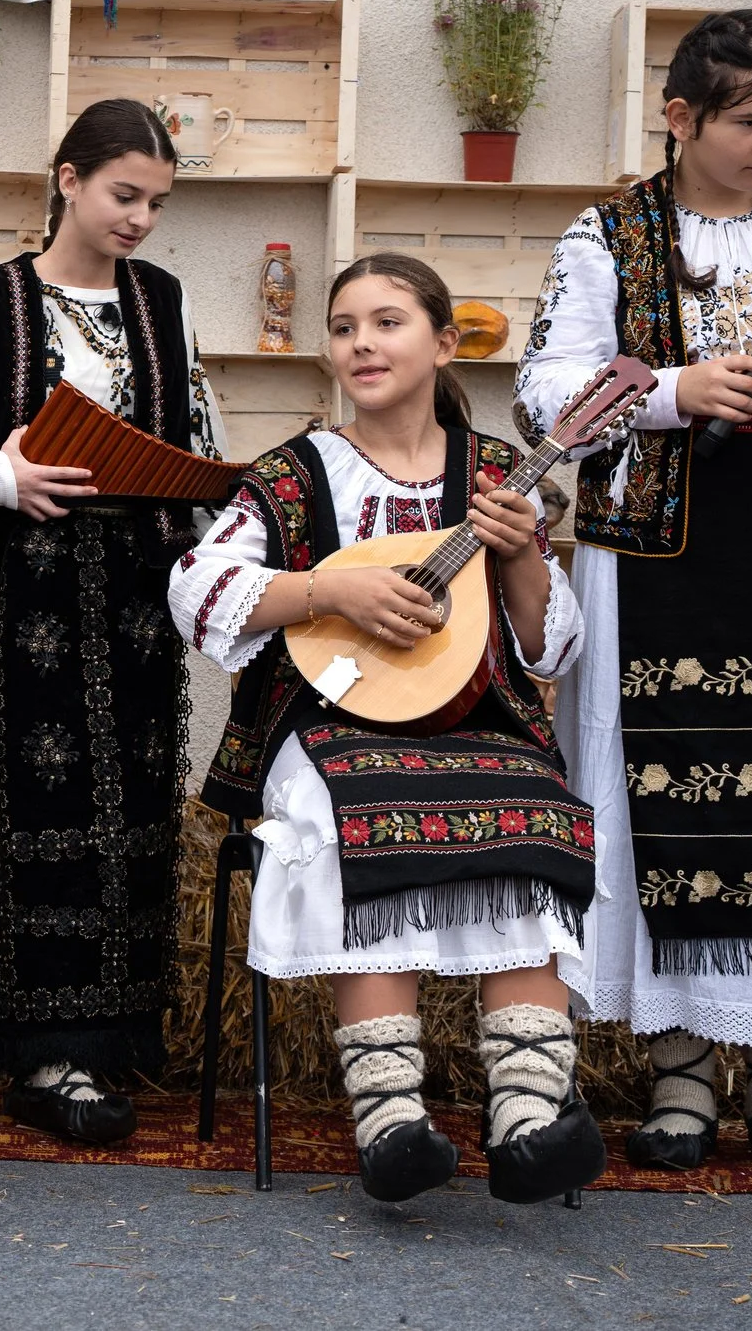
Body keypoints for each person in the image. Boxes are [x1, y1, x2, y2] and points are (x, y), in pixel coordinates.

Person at [515, 9, 752, 1174]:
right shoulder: (607, 236)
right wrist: (676, 388)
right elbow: (543, 394)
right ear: (679, 114)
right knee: (662, 794)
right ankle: (681, 1061)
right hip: (656, 558)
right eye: (749, 120)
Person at [174, 254, 603, 1205]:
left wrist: (524, 548)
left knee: (535, 812)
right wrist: (329, 588)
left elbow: (546, 646)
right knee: (346, 820)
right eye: (343, 327)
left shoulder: (496, 473)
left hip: (478, 723)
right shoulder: (294, 474)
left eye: (387, 322)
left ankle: (530, 1119)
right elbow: (198, 587)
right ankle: (390, 1121)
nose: (361, 343)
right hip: (327, 725)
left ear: (445, 343)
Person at [0, 96, 224, 1145]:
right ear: (67, 178)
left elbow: (204, 437)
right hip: (22, 599)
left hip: (136, 595)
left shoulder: (162, 302)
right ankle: (40, 1047)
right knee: (32, 812)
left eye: (157, 203)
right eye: (124, 194)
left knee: (131, 807)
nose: (139, 218)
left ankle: (117, 1031)